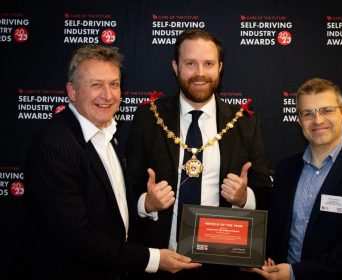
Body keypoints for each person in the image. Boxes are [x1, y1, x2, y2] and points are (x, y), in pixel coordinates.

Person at [23, 44, 200, 280]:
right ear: (72, 91)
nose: (108, 95)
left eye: (114, 84)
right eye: (96, 84)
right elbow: (76, 238)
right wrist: (154, 259)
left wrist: (146, 205)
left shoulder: (108, 135)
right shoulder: (55, 144)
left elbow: (112, 214)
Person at [124, 29, 271, 278]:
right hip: (161, 262)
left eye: (208, 64)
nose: (200, 73)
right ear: (175, 66)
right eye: (190, 63)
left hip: (223, 265)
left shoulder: (244, 123)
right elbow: (124, 188)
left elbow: (265, 192)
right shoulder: (148, 118)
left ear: (220, 67)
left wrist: (244, 198)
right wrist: (146, 204)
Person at [253, 78, 342, 280]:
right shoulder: (286, 169)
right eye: (308, 113)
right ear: (299, 121)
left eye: (327, 110)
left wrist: (295, 273)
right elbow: (276, 229)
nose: (317, 120)